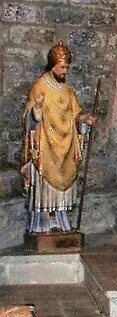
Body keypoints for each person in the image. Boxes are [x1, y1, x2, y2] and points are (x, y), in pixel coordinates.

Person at [21, 42, 96, 233]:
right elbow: (30, 119)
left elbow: (76, 113)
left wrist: (85, 119)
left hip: (66, 145)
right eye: (62, 67)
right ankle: (42, 223)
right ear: (52, 66)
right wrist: (37, 108)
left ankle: (61, 221)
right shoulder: (40, 86)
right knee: (46, 183)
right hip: (46, 145)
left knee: (64, 182)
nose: (65, 71)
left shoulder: (68, 90)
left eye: (67, 68)